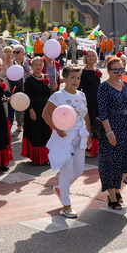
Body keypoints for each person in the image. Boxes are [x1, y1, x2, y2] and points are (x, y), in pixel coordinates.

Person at [43, 65, 92, 218]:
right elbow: (45, 114)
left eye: (78, 78)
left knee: (78, 171)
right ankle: (66, 205)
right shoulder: (58, 96)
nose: (75, 80)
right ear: (64, 78)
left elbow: (86, 116)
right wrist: (57, 129)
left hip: (79, 136)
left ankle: (60, 189)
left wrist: (89, 134)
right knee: (67, 171)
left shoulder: (81, 95)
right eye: (72, 77)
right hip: (64, 137)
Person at [97, 55, 127, 209]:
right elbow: (103, 113)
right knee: (112, 163)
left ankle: (115, 189)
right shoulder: (104, 87)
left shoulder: (126, 85)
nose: (119, 72)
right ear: (108, 71)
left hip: (126, 127)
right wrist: (109, 132)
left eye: (121, 69)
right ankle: (112, 196)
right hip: (112, 128)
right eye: (116, 69)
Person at [21, 56, 53, 165]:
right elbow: (27, 96)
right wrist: (30, 110)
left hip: (44, 109)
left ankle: (45, 157)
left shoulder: (45, 78)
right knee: (35, 133)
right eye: (36, 65)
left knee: (45, 133)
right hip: (33, 108)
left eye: (40, 64)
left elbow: (48, 95)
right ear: (32, 66)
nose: (38, 67)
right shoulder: (29, 79)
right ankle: (37, 157)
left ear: (43, 66)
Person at [79, 49, 102, 157]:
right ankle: (89, 147)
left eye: (93, 56)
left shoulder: (96, 70)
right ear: (86, 58)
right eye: (89, 56)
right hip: (88, 101)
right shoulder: (83, 72)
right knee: (89, 123)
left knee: (98, 123)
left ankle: (97, 147)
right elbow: (79, 88)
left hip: (97, 100)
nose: (91, 58)